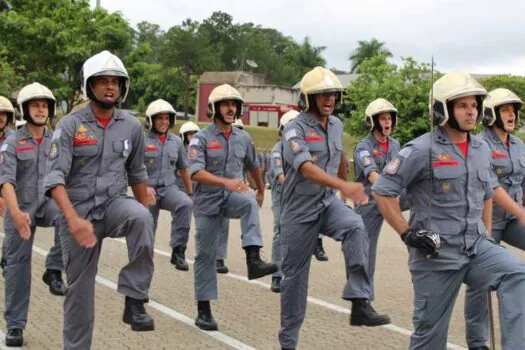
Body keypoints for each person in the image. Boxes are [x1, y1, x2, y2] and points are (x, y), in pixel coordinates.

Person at [373, 72, 525, 350]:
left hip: (476, 247)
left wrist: (488, 238)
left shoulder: (480, 148)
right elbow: (383, 190)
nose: (472, 112)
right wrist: (407, 234)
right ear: (443, 109)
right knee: (429, 338)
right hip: (436, 255)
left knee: (517, 273)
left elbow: (488, 194)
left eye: (474, 105)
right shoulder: (421, 149)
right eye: (463, 105)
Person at [44, 50, 156, 350]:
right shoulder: (70, 125)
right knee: (79, 295)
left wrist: (144, 225)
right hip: (78, 215)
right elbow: (54, 178)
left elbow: (137, 172)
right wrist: (73, 221)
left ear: (123, 87)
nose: (110, 87)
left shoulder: (131, 126)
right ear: (89, 86)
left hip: (113, 206)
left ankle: (134, 302)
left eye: (116, 82)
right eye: (103, 81)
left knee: (143, 219)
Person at [278, 67, 390, 350]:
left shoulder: (336, 125)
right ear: (308, 98)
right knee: (294, 281)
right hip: (298, 213)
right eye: (322, 95)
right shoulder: (295, 128)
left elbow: (340, 157)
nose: (329, 99)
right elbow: (305, 168)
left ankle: (359, 301)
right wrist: (344, 186)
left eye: (333, 94)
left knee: (355, 226)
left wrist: (344, 186)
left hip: (327, 204)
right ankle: (288, 343)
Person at [188, 83, 277, 331]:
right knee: (205, 256)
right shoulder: (200, 139)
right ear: (214, 108)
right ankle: (204, 310)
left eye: (234, 104)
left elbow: (252, 166)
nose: (230, 108)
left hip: (231, 198)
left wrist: (260, 188)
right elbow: (195, 172)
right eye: (225, 104)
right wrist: (226, 182)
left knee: (249, 201)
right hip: (207, 203)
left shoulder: (243, 137)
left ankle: (253, 261)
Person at [0, 83, 66, 347]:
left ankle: (53, 268)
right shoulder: (12, 141)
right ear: (25, 109)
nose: (40, 110)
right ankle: (15, 326)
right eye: (35, 105)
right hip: (20, 209)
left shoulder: (57, 140)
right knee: (17, 269)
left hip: (46, 204)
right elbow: (6, 181)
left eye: (44, 105)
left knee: (68, 216)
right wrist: (15, 213)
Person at [464, 88, 525, 350]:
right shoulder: (480, 144)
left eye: (513, 110)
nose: (511, 115)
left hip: (513, 219)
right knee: (481, 281)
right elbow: (489, 189)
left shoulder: (519, 144)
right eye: (505, 110)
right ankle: (477, 340)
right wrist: (486, 231)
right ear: (491, 114)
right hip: (486, 219)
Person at [353, 98, 409, 300]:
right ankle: (362, 296)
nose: (387, 123)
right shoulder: (363, 146)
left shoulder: (395, 144)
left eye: (389, 118)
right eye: (383, 118)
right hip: (369, 201)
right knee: (366, 250)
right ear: (373, 121)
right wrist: (389, 189)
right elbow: (372, 175)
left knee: (421, 194)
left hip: (392, 197)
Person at [143, 99, 193, 271]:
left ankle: (178, 251)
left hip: (169, 189)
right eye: (159, 118)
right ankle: (144, 255)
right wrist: (142, 187)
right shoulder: (141, 141)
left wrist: (190, 192)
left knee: (185, 204)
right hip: (147, 190)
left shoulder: (176, 142)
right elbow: (132, 168)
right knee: (147, 223)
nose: (164, 122)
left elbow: (183, 168)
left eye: (166, 118)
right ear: (150, 120)